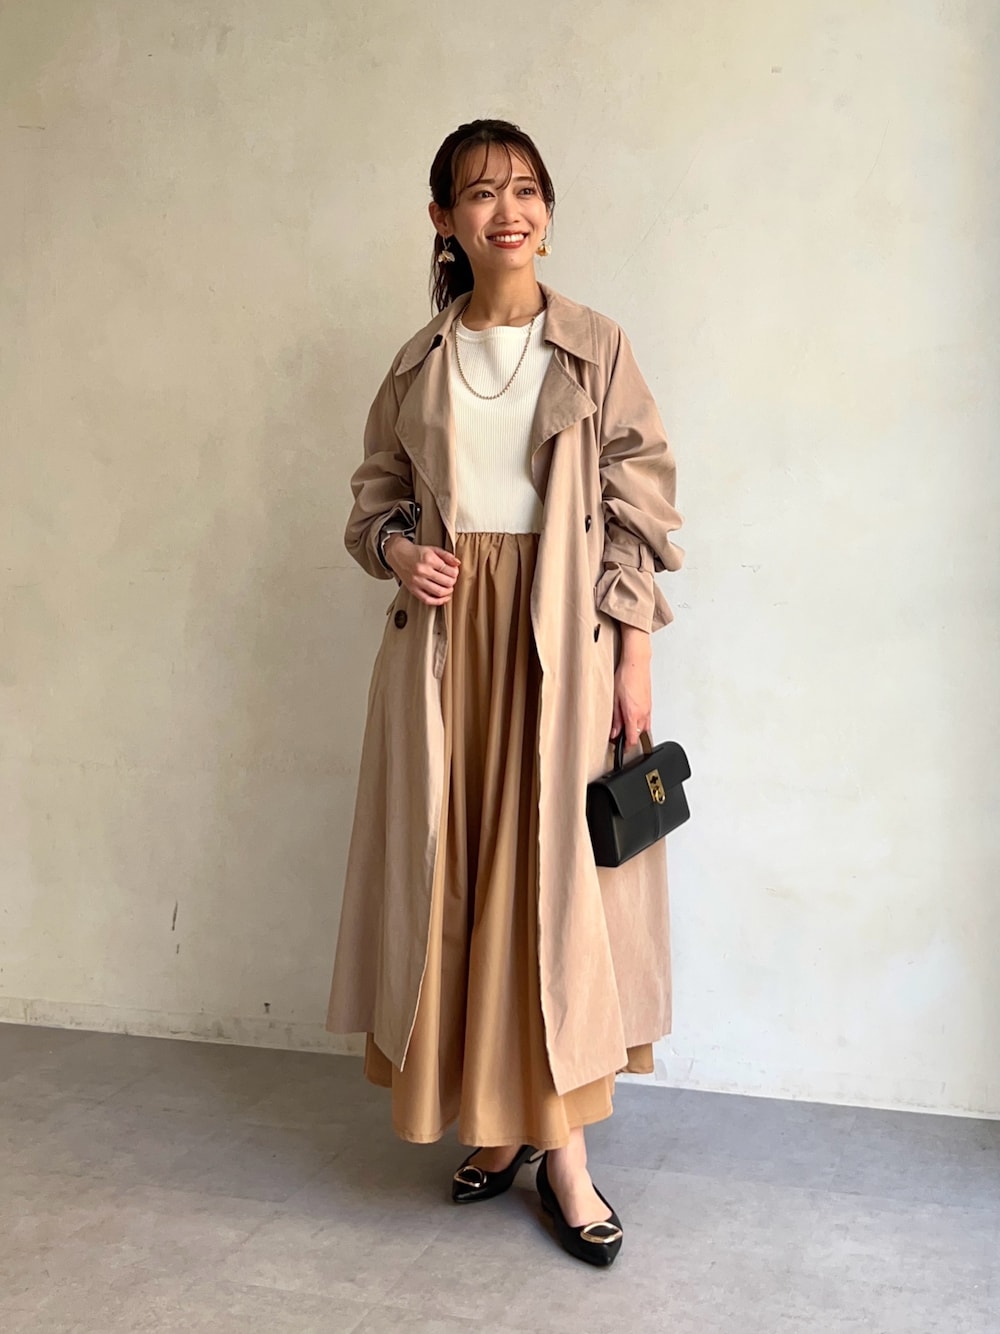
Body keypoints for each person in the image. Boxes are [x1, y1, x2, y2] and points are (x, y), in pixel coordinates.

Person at [326, 118, 683, 1268]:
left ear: (548, 211)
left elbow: (640, 511)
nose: (508, 210)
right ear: (443, 219)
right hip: (446, 652)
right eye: (480, 193)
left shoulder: (594, 347)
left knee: (553, 894)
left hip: (562, 649)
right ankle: (496, 1119)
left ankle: (562, 1154)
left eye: (526, 189)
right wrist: (399, 551)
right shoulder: (415, 364)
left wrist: (633, 662)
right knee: (464, 881)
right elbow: (371, 501)